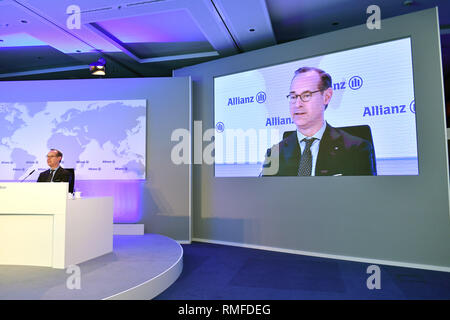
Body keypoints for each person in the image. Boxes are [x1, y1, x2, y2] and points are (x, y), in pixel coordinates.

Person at [261, 66, 377, 176]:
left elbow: (364, 195)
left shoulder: (356, 149)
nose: (297, 104)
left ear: (326, 96)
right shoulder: (274, 154)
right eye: (293, 96)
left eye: (306, 95)